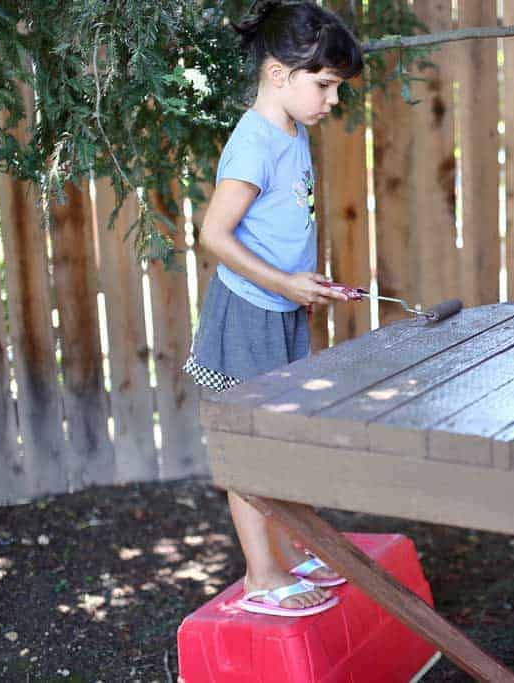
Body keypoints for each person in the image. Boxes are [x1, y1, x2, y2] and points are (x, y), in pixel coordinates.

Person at [183, 0, 363, 617]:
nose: (331, 101)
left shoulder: (295, 130)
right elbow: (215, 234)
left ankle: (291, 550)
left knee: (284, 436)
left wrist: (307, 284)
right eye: (325, 86)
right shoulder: (253, 143)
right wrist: (282, 287)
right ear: (278, 74)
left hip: (282, 307)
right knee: (250, 447)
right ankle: (262, 575)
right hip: (248, 316)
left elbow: (278, 231)